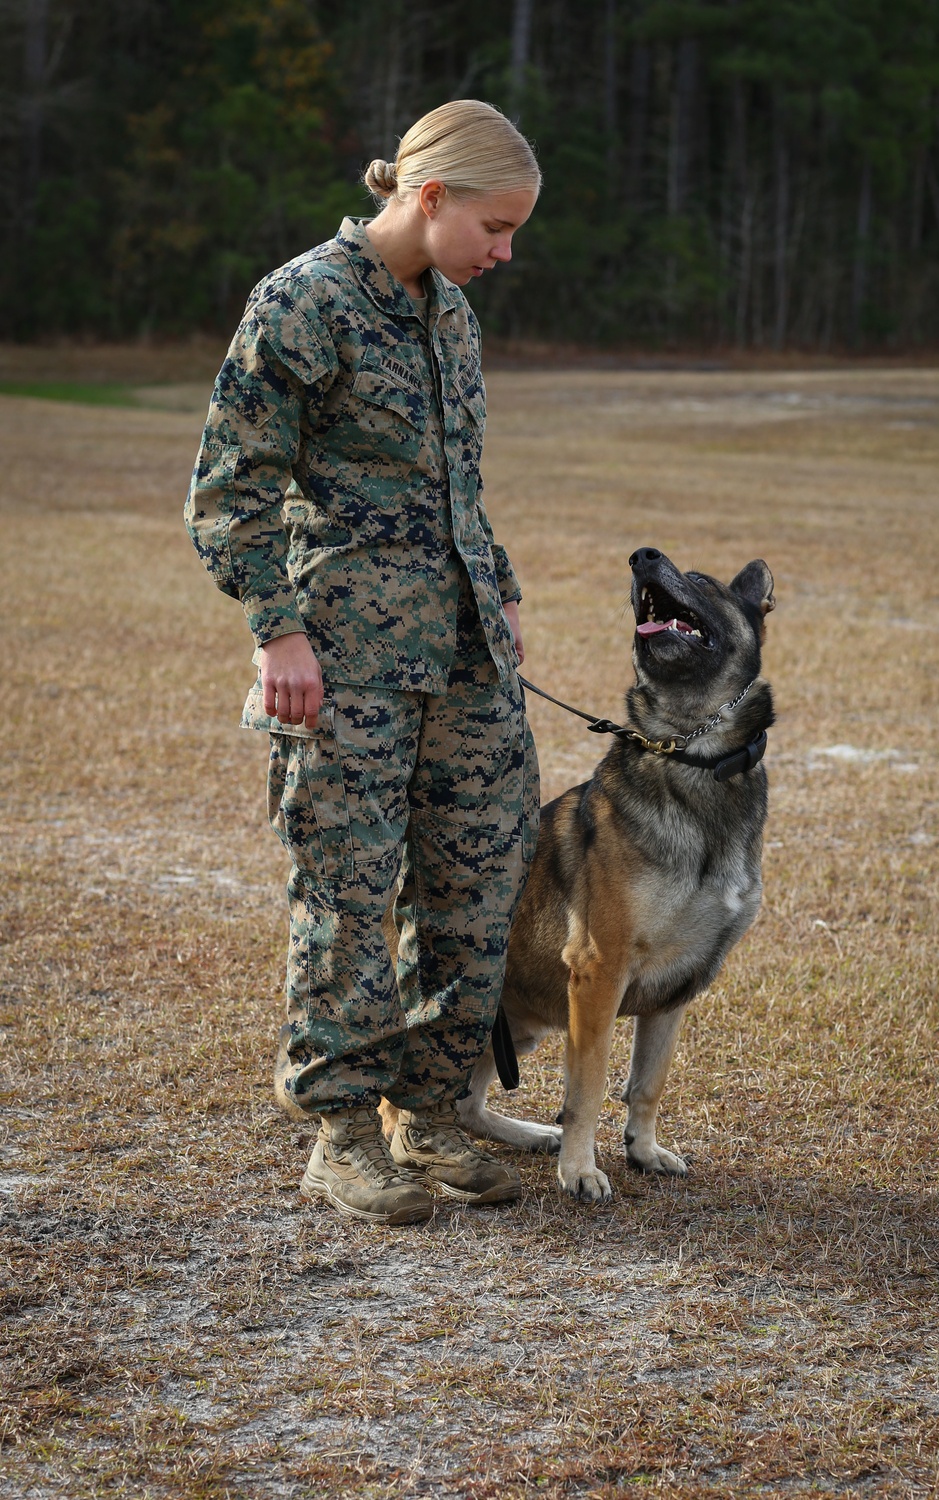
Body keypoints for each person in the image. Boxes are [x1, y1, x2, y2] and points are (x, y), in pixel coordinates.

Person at [185, 100, 541, 1226]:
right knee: (343, 895)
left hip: (465, 656)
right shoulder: (303, 301)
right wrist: (277, 631)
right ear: (428, 198)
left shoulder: (451, 315)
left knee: (477, 892)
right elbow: (228, 492)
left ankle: (431, 1113)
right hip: (345, 659)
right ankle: (343, 1135)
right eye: (494, 226)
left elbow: (458, 487)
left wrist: (503, 589)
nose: (504, 251)